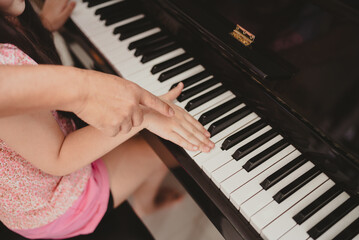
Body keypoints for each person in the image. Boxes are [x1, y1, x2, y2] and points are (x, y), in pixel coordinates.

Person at [0, 0, 214, 239]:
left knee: (158, 132)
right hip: (51, 204)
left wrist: (44, 25)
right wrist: (144, 116)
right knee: (165, 146)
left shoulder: (8, 19)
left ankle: (145, 198)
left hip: (44, 168)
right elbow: (59, 157)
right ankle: (145, 203)